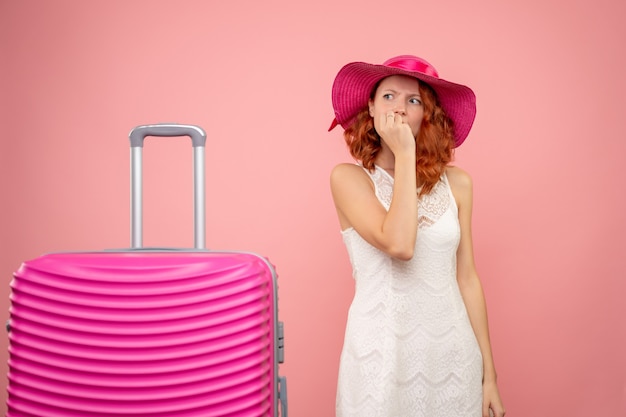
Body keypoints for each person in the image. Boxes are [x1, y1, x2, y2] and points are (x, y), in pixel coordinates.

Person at [328, 55, 506, 417]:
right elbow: (400, 244)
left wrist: (490, 375)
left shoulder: (458, 184)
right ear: (371, 108)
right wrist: (405, 151)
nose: (400, 109)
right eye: (389, 97)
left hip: (452, 357)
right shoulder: (348, 179)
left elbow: (467, 277)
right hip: (380, 359)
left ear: (426, 114)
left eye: (414, 101)